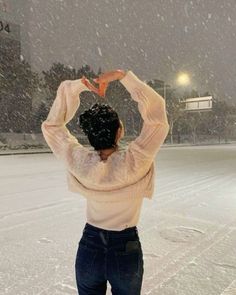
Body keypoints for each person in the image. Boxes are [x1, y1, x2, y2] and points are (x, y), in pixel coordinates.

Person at [41, 69, 169, 294]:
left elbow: (52, 127)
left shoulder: (80, 162)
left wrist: (75, 87)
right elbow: (157, 118)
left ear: (89, 135)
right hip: (126, 248)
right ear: (119, 132)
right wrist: (124, 76)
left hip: (90, 247)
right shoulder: (135, 161)